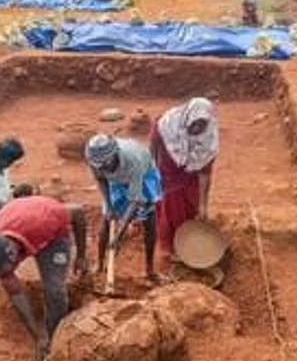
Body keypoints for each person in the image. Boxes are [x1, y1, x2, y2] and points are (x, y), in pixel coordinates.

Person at [0, 195, 89, 361]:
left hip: (53, 237)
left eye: (4, 272)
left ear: (12, 255)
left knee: (55, 289)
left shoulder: (47, 219)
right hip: (15, 221)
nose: (4, 277)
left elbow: (78, 212)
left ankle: (56, 336)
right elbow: (16, 295)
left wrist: (81, 255)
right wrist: (37, 337)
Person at [84, 134, 163, 283]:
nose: (102, 168)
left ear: (114, 156)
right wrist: (109, 206)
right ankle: (100, 265)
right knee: (107, 220)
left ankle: (150, 269)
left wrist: (120, 233)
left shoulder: (134, 160)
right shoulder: (93, 159)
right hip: (117, 181)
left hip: (143, 177)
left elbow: (136, 200)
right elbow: (101, 179)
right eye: (98, 165)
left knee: (149, 220)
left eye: (105, 164)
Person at [150, 97, 219, 261]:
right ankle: (169, 249)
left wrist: (203, 205)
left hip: (189, 181)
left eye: (201, 125)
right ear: (187, 116)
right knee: (169, 213)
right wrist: (152, 174)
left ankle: (187, 247)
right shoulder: (165, 125)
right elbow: (152, 149)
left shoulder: (207, 141)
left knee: (190, 211)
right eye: (194, 123)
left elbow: (205, 174)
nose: (196, 128)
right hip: (166, 177)